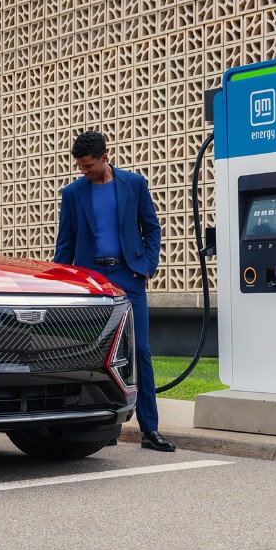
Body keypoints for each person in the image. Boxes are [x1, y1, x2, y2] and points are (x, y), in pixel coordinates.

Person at [54, 131, 174, 452]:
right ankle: (102, 428)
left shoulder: (134, 184)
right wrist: (61, 284)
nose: (84, 171)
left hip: (128, 276)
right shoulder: (72, 194)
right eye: (80, 166)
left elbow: (151, 227)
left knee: (140, 351)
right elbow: (64, 244)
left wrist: (147, 266)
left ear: (106, 158)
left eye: (89, 165)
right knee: (94, 354)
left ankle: (150, 430)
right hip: (91, 279)